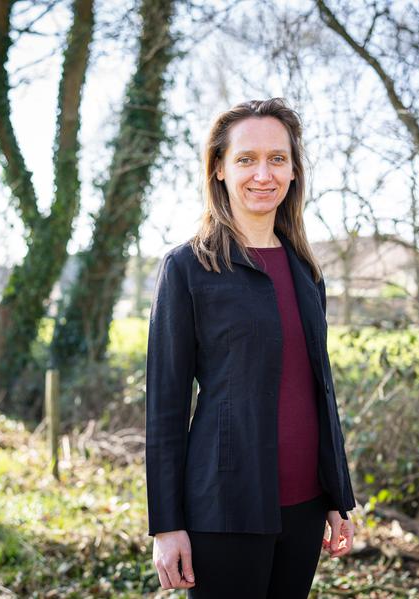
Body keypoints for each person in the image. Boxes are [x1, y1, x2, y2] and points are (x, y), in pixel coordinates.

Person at [145, 98, 356, 599]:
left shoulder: (307, 272)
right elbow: (166, 408)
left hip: (304, 507)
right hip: (224, 507)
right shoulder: (188, 269)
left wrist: (335, 495)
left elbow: (316, 390)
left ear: (293, 170)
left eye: (277, 159)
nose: (263, 173)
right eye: (246, 159)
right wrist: (166, 525)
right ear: (219, 169)